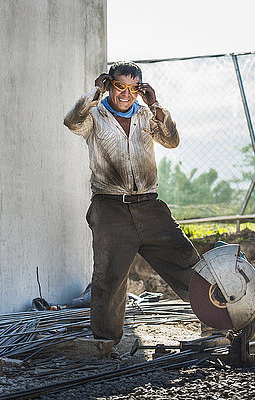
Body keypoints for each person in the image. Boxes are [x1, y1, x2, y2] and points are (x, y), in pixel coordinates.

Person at [63, 61, 201, 344]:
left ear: (140, 89)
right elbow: (72, 122)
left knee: (186, 260)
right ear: (109, 85)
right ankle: (106, 342)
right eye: (119, 87)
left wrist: (157, 105)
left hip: (149, 206)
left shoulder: (147, 115)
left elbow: (172, 141)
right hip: (109, 206)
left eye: (133, 88)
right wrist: (94, 94)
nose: (126, 94)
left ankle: (218, 322)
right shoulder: (95, 116)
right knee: (109, 277)